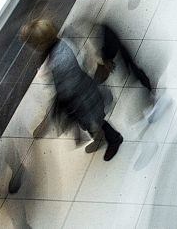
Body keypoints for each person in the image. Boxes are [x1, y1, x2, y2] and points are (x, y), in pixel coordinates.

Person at [20, 19, 123, 161]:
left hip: (81, 97)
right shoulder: (62, 42)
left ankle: (114, 138)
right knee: (89, 121)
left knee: (95, 119)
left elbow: (67, 88)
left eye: (32, 44)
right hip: (82, 93)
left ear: (40, 43)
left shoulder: (59, 61)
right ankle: (100, 137)